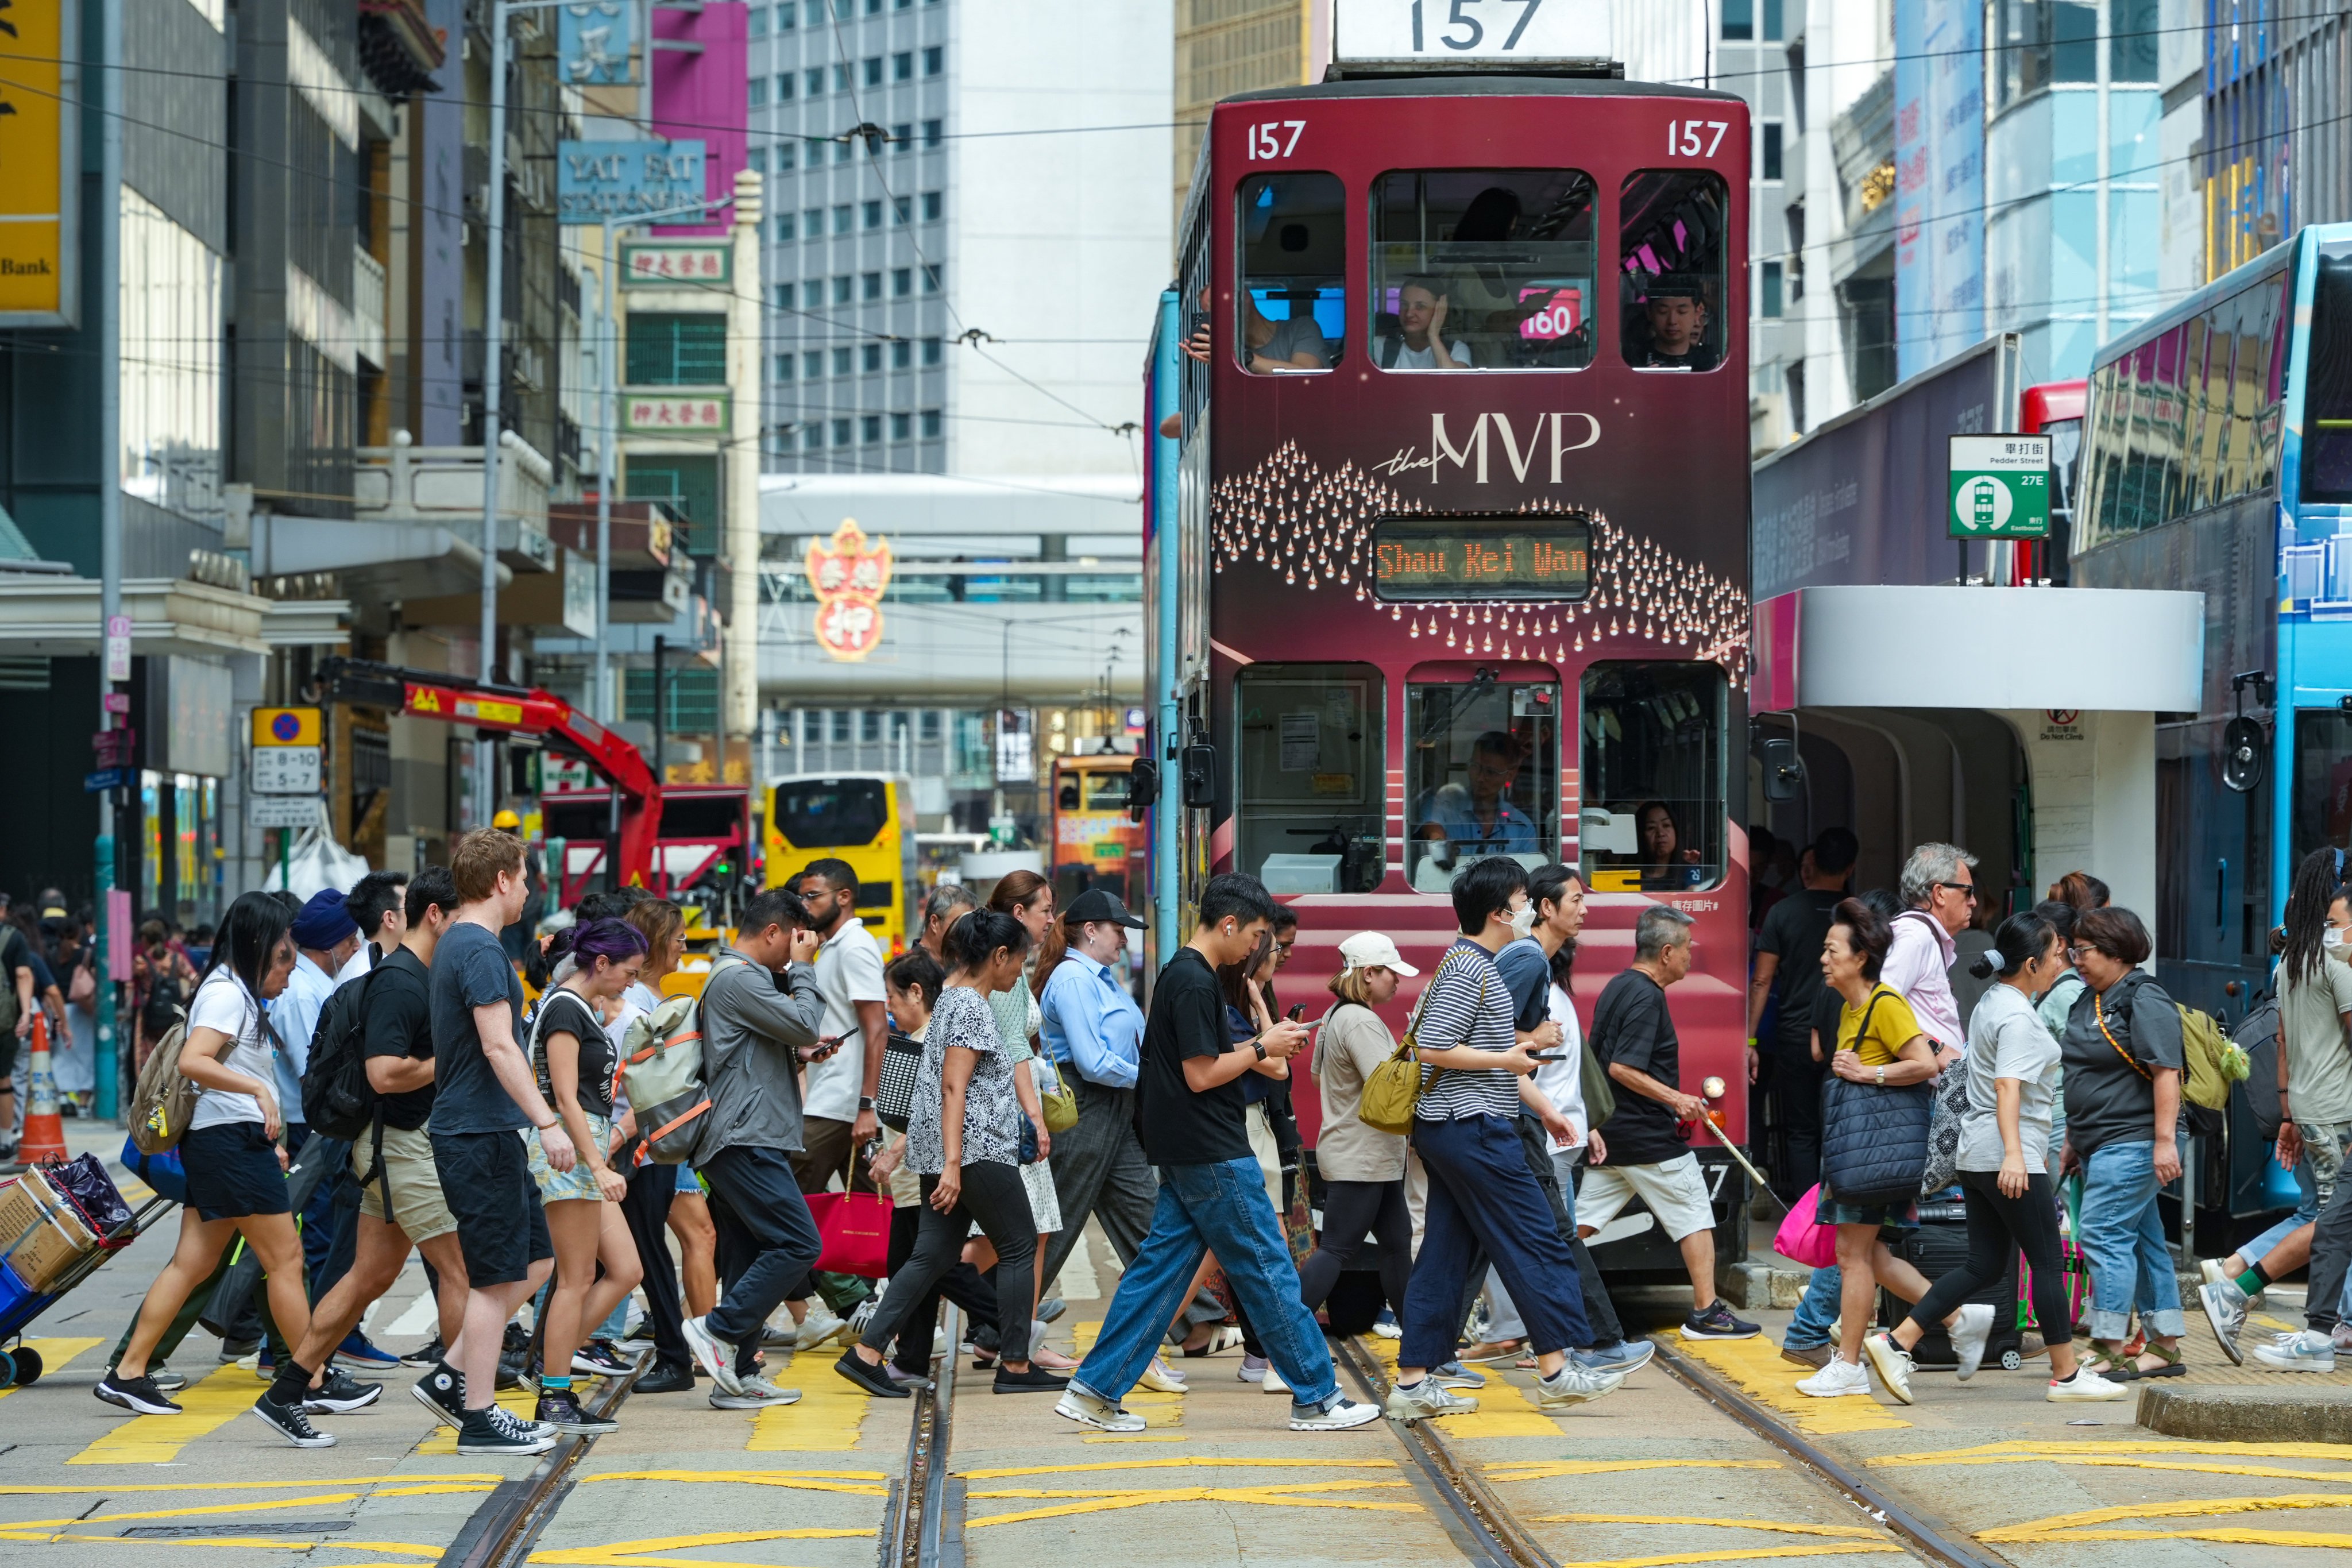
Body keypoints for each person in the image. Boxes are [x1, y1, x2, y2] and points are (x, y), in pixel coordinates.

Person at [1055, 873, 1380, 1434]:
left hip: (1191, 1150)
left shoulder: (1187, 977)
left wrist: (1262, 1040)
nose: (1256, 946)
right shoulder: (1193, 980)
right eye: (1255, 934)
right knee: (1269, 1270)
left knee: (1158, 1273)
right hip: (1213, 1151)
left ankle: (1095, 1387)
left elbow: (1202, 1062)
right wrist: (1263, 1046)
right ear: (1229, 925)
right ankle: (1318, 1396)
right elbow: (1201, 1074)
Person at [97, 893, 345, 1447]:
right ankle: (308, 1378)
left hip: (225, 1143)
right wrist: (259, 1091)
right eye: (283, 948)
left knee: (194, 1261)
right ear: (261, 943)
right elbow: (194, 1061)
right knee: (285, 1259)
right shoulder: (226, 994)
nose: (289, 958)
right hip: (228, 1145)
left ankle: (129, 1373)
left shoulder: (232, 990)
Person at [1385, 858, 1625, 1420]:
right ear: (1499, 912)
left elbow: (1472, 1055)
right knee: (1537, 1238)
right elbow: (1433, 1047)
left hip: (1459, 1128)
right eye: (1522, 899)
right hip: (1472, 1130)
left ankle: (1415, 1382)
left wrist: (1540, 1107)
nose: (1529, 908)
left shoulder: (1476, 963)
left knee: (1445, 1256)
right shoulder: (1472, 967)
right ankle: (1558, 1368)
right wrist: (1508, 1056)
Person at [1866, 911, 2129, 1403]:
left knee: (1984, 1265)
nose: (2063, 963)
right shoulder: (2016, 1017)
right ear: (2031, 963)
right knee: (2048, 1263)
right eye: (2056, 956)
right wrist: (2014, 1155)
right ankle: (2067, 1376)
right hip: (2009, 1157)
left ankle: (1896, 1340)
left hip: (1976, 1152)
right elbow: (2007, 1087)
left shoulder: (1994, 1000)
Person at [836, 910, 1067, 1397]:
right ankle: (1016, 1366)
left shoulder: (951, 1000)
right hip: (975, 1150)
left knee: (933, 1254)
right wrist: (953, 1165)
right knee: (1020, 1245)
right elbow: (952, 1087)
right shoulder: (969, 1006)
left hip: (953, 1149)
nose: (1017, 974)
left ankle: (866, 1352)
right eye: (1018, 964)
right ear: (999, 956)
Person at [285, 870, 474, 1424]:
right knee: (463, 1272)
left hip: (394, 1145)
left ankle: (288, 1390)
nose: (467, 928)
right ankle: (468, 1399)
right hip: (398, 1147)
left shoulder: (420, 974)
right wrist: (456, 1058)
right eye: (460, 916)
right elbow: (385, 1073)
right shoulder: (400, 982)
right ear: (435, 915)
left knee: (369, 1276)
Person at [426, 828, 574, 1456]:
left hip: (485, 1131)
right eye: (525, 876)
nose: (531, 890)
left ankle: (452, 1376)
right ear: (501, 881)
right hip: (477, 1133)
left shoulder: (464, 945)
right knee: (493, 1281)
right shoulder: (480, 951)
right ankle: (480, 1416)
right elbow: (498, 1044)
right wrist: (546, 1119)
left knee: (535, 1261)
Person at [1033, 888, 1192, 1393]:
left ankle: (1168, 1329)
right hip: (1085, 1111)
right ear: (1091, 930)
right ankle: (1001, 1329)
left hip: (1116, 1112)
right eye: (1118, 929)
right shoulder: (1074, 980)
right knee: (1052, 1230)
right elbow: (1093, 1062)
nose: (1125, 939)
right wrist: (1154, 1080)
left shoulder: (1101, 979)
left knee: (1151, 1223)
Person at [677, 888, 832, 1404]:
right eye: (791, 943)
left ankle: (738, 1374)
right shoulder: (740, 977)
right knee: (799, 1244)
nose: (794, 954)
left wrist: (801, 1053)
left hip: (743, 1133)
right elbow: (805, 1021)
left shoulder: (737, 979)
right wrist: (805, 970)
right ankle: (717, 1329)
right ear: (772, 932)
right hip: (744, 1137)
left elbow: (769, 1046)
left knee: (746, 1253)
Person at [1579, 905, 1758, 1340]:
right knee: (1694, 1212)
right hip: (1644, 1135)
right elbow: (1622, 1067)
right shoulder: (1645, 995)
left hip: (1614, 1136)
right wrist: (1676, 1098)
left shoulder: (1618, 986)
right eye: (1685, 948)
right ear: (1664, 953)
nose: (1690, 956)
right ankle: (1705, 1312)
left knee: (1577, 1224)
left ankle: (1515, 1291)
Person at [1794, 899, 1950, 1399]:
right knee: (1866, 1255)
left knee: (1852, 1255)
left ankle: (1848, 1365)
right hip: (1860, 1153)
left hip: (1871, 1154)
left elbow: (1924, 1063)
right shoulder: (1850, 1009)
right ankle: (1960, 1316)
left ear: (1860, 957)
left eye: (1831, 950)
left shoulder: (1885, 1004)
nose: (1823, 958)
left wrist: (1870, 1073)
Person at [2208, 851, 2352, 1367]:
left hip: (2312, 1107)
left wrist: (2289, 1113)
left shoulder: (2292, 960)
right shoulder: (2334, 965)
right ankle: (2239, 1286)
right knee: (2334, 1218)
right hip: (2337, 1111)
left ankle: (2332, 1323)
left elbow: (2285, 1043)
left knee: (2325, 1213)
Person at [524, 919, 649, 1431]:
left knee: (626, 1270)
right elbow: (565, 1099)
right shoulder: (563, 1009)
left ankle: (551, 1359)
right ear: (600, 964)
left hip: (584, 1147)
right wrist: (597, 1164)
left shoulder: (579, 1008)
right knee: (575, 1278)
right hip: (571, 1153)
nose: (631, 982)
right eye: (628, 972)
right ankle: (555, 1393)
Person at [2058, 906, 2189, 1380]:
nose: (2075, 959)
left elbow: (2165, 1072)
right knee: (2142, 1241)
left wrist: (2163, 1142)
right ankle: (2165, 1345)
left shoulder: (2143, 997)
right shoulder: (2088, 999)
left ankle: (2110, 1346)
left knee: (2100, 1232)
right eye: (2072, 950)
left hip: (2133, 1141)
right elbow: (2081, 1072)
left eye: (2083, 950)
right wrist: (2074, 1139)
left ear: (2115, 951)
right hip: (2097, 1143)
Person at [867, 948, 999, 1387]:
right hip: (911, 1177)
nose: (887, 1006)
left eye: (891, 996)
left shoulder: (932, 1039)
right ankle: (911, 1358)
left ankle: (1010, 1323)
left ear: (917, 993)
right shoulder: (919, 1036)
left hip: (920, 1173)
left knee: (925, 1266)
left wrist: (893, 1153)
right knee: (917, 1265)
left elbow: (938, 1107)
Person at [1296, 933, 1416, 1324]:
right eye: (1390, 973)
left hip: (1367, 1154)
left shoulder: (1335, 1015)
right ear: (1369, 974)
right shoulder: (1361, 1021)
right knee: (1336, 1249)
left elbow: (1318, 1079)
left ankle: (1420, 1345)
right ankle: (1275, 1344)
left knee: (1397, 1246)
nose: (1397, 981)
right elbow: (1389, 1087)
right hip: (1361, 1156)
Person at [612, 897, 706, 1395]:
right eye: (677, 938)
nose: (684, 945)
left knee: (647, 1249)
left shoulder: (642, 1002)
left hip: (641, 1144)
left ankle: (675, 1356)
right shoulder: (641, 1002)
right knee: (644, 1249)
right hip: (644, 1144)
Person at [275, 891, 368, 1330]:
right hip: (306, 1131)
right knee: (316, 1237)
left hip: (320, 1126)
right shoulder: (300, 993)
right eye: (350, 941)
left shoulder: (320, 985)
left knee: (322, 1235)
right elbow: (309, 1074)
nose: (354, 949)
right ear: (329, 944)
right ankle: (312, 1339)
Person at [1749, 828, 1859, 1198]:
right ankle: (1841, 1212)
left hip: (1794, 1035)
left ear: (1811, 865)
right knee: (1843, 1125)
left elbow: (1762, 981)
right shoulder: (1859, 916)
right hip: (1851, 1037)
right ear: (1851, 867)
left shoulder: (1783, 911)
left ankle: (1805, 1217)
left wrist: (1750, 1039)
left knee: (1801, 1130)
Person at [1413, 731, 1538, 863]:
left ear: (1510, 775)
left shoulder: (1521, 827)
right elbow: (1432, 826)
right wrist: (1440, 845)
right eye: (1475, 767)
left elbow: (1529, 875)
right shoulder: (1444, 804)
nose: (1480, 778)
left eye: (1491, 772)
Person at [1376, 280, 1472, 370]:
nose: (1409, 314)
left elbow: (1454, 383)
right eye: (1404, 305)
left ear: (1440, 310)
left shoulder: (1456, 349)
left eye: (1420, 307)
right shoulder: (1380, 346)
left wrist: (1433, 336)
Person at [1632, 275, 1716, 370]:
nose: (1672, 321)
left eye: (1682, 312)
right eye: (1663, 311)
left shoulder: (1710, 361)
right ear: (1649, 312)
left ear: (1697, 313)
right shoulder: (1634, 358)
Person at [345, 870, 410, 975]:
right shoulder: (364, 974)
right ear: (390, 919)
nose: (415, 911)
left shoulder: (381, 965)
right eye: (409, 906)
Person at [918, 882, 978, 966]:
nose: (966, 932)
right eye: (959, 925)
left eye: (970, 925)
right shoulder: (909, 970)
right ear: (934, 923)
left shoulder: (962, 965)